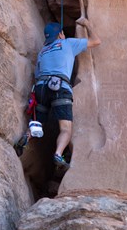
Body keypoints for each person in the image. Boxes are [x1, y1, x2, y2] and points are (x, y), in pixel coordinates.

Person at [34, 18, 101, 168]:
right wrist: (87, 24)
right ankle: (58, 154)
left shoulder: (42, 51)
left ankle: (27, 135)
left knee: (38, 122)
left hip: (41, 88)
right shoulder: (68, 43)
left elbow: (37, 74)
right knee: (65, 129)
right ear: (60, 34)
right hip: (60, 87)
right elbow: (96, 41)